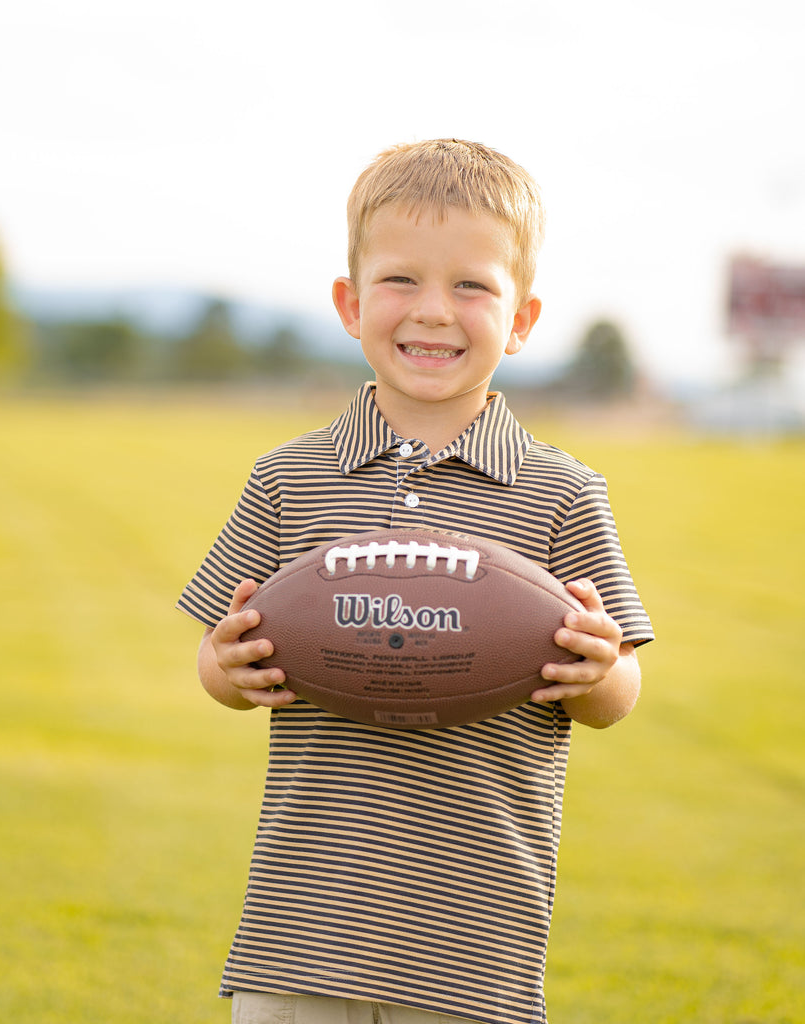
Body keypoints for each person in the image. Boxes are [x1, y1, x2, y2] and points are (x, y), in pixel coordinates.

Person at [177, 138, 654, 1024]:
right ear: (350, 304)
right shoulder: (289, 477)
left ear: (521, 318)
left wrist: (599, 670)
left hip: (474, 941)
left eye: (471, 286)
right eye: (400, 280)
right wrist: (226, 674)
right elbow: (219, 658)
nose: (433, 311)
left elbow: (617, 689)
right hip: (302, 931)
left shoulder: (562, 493)